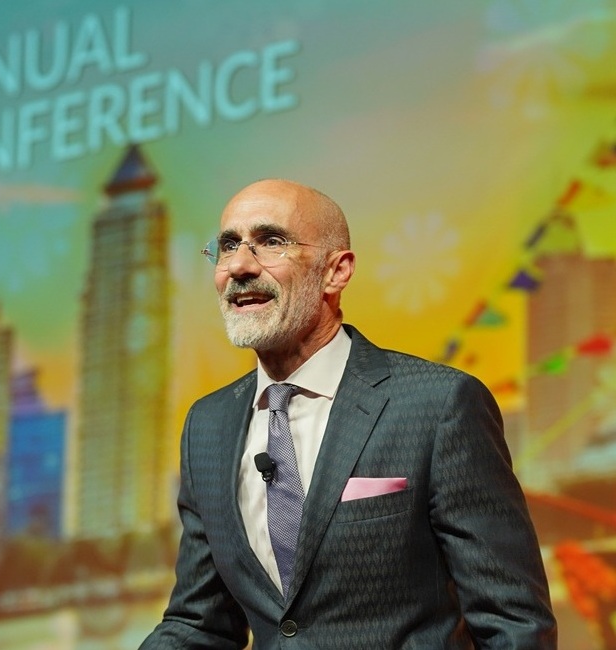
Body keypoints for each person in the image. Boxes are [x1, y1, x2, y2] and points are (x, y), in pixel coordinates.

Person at [140, 179, 556, 649]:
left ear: (336, 272)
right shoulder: (207, 425)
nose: (238, 265)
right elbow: (199, 622)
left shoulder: (439, 405)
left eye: (271, 241)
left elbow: (513, 623)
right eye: (228, 245)